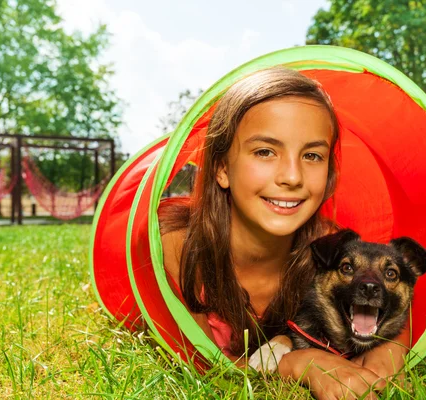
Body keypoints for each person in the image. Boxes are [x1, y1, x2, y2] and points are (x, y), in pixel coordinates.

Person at [159, 67, 409, 399]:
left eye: (312, 155)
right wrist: (297, 364)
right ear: (221, 169)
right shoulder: (179, 246)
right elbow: (206, 366)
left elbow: (394, 293)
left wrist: (389, 348)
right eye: (265, 151)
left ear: (329, 175)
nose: (292, 176)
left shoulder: (329, 250)